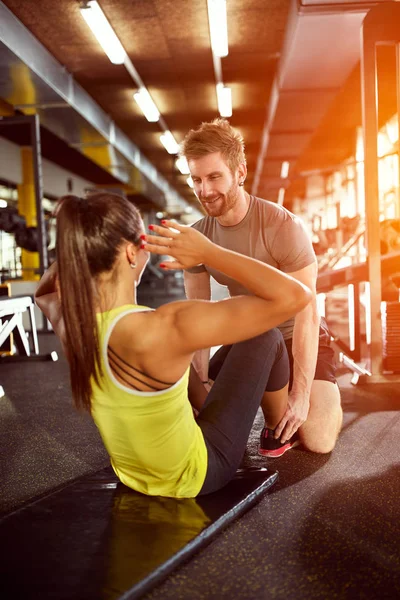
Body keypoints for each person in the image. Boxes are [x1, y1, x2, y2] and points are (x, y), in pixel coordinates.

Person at [35, 192, 311, 498]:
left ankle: (210, 411)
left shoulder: (73, 326)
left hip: (134, 476)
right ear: (130, 253)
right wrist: (210, 252)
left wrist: (82, 246)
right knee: (265, 336)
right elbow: (296, 296)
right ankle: (278, 433)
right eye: (143, 243)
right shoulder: (166, 325)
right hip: (199, 474)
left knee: (187, 360)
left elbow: (44, 293)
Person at [181, 118, 343, 457]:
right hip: (252, 337)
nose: (205, 190)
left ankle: (308, 391)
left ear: (239, 172)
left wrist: (300, 396)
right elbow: (198, 310)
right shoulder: (197, 236)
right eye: (196, 179)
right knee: (191, 399)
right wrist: (201, 382)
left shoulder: (282, 226)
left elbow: (307, 313)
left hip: (296, 333)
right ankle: (266, 395)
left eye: (214, 177)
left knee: (317, 438)